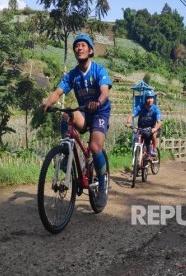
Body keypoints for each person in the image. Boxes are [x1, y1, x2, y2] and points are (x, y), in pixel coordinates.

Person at [41, 33, 112, 208]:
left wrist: (98, 102)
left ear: (90, 50)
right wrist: (48, 103)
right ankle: (67, 152)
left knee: (95, 148)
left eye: (82, 45)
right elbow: (58, 92)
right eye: (76, 46)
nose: (79, 48)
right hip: (85, 113)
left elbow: (105, 91)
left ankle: (102, 187)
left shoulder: (98, 70)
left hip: (100, 112)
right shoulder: (73, 75)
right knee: (66, 115)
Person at [125, 90, 162, 156]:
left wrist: (155, 128)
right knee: (137, 138)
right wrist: (128, 121)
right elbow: (132, 115)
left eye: (151, 98)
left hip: (152, 129)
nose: (149, 100)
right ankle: (139, 153)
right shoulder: (140, 107)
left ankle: (154, 149)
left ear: (153, 99)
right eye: (148, 98)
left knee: (153, 134)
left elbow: (159, 122)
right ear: (145, 99)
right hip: (142, 129)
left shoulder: (156, 109)